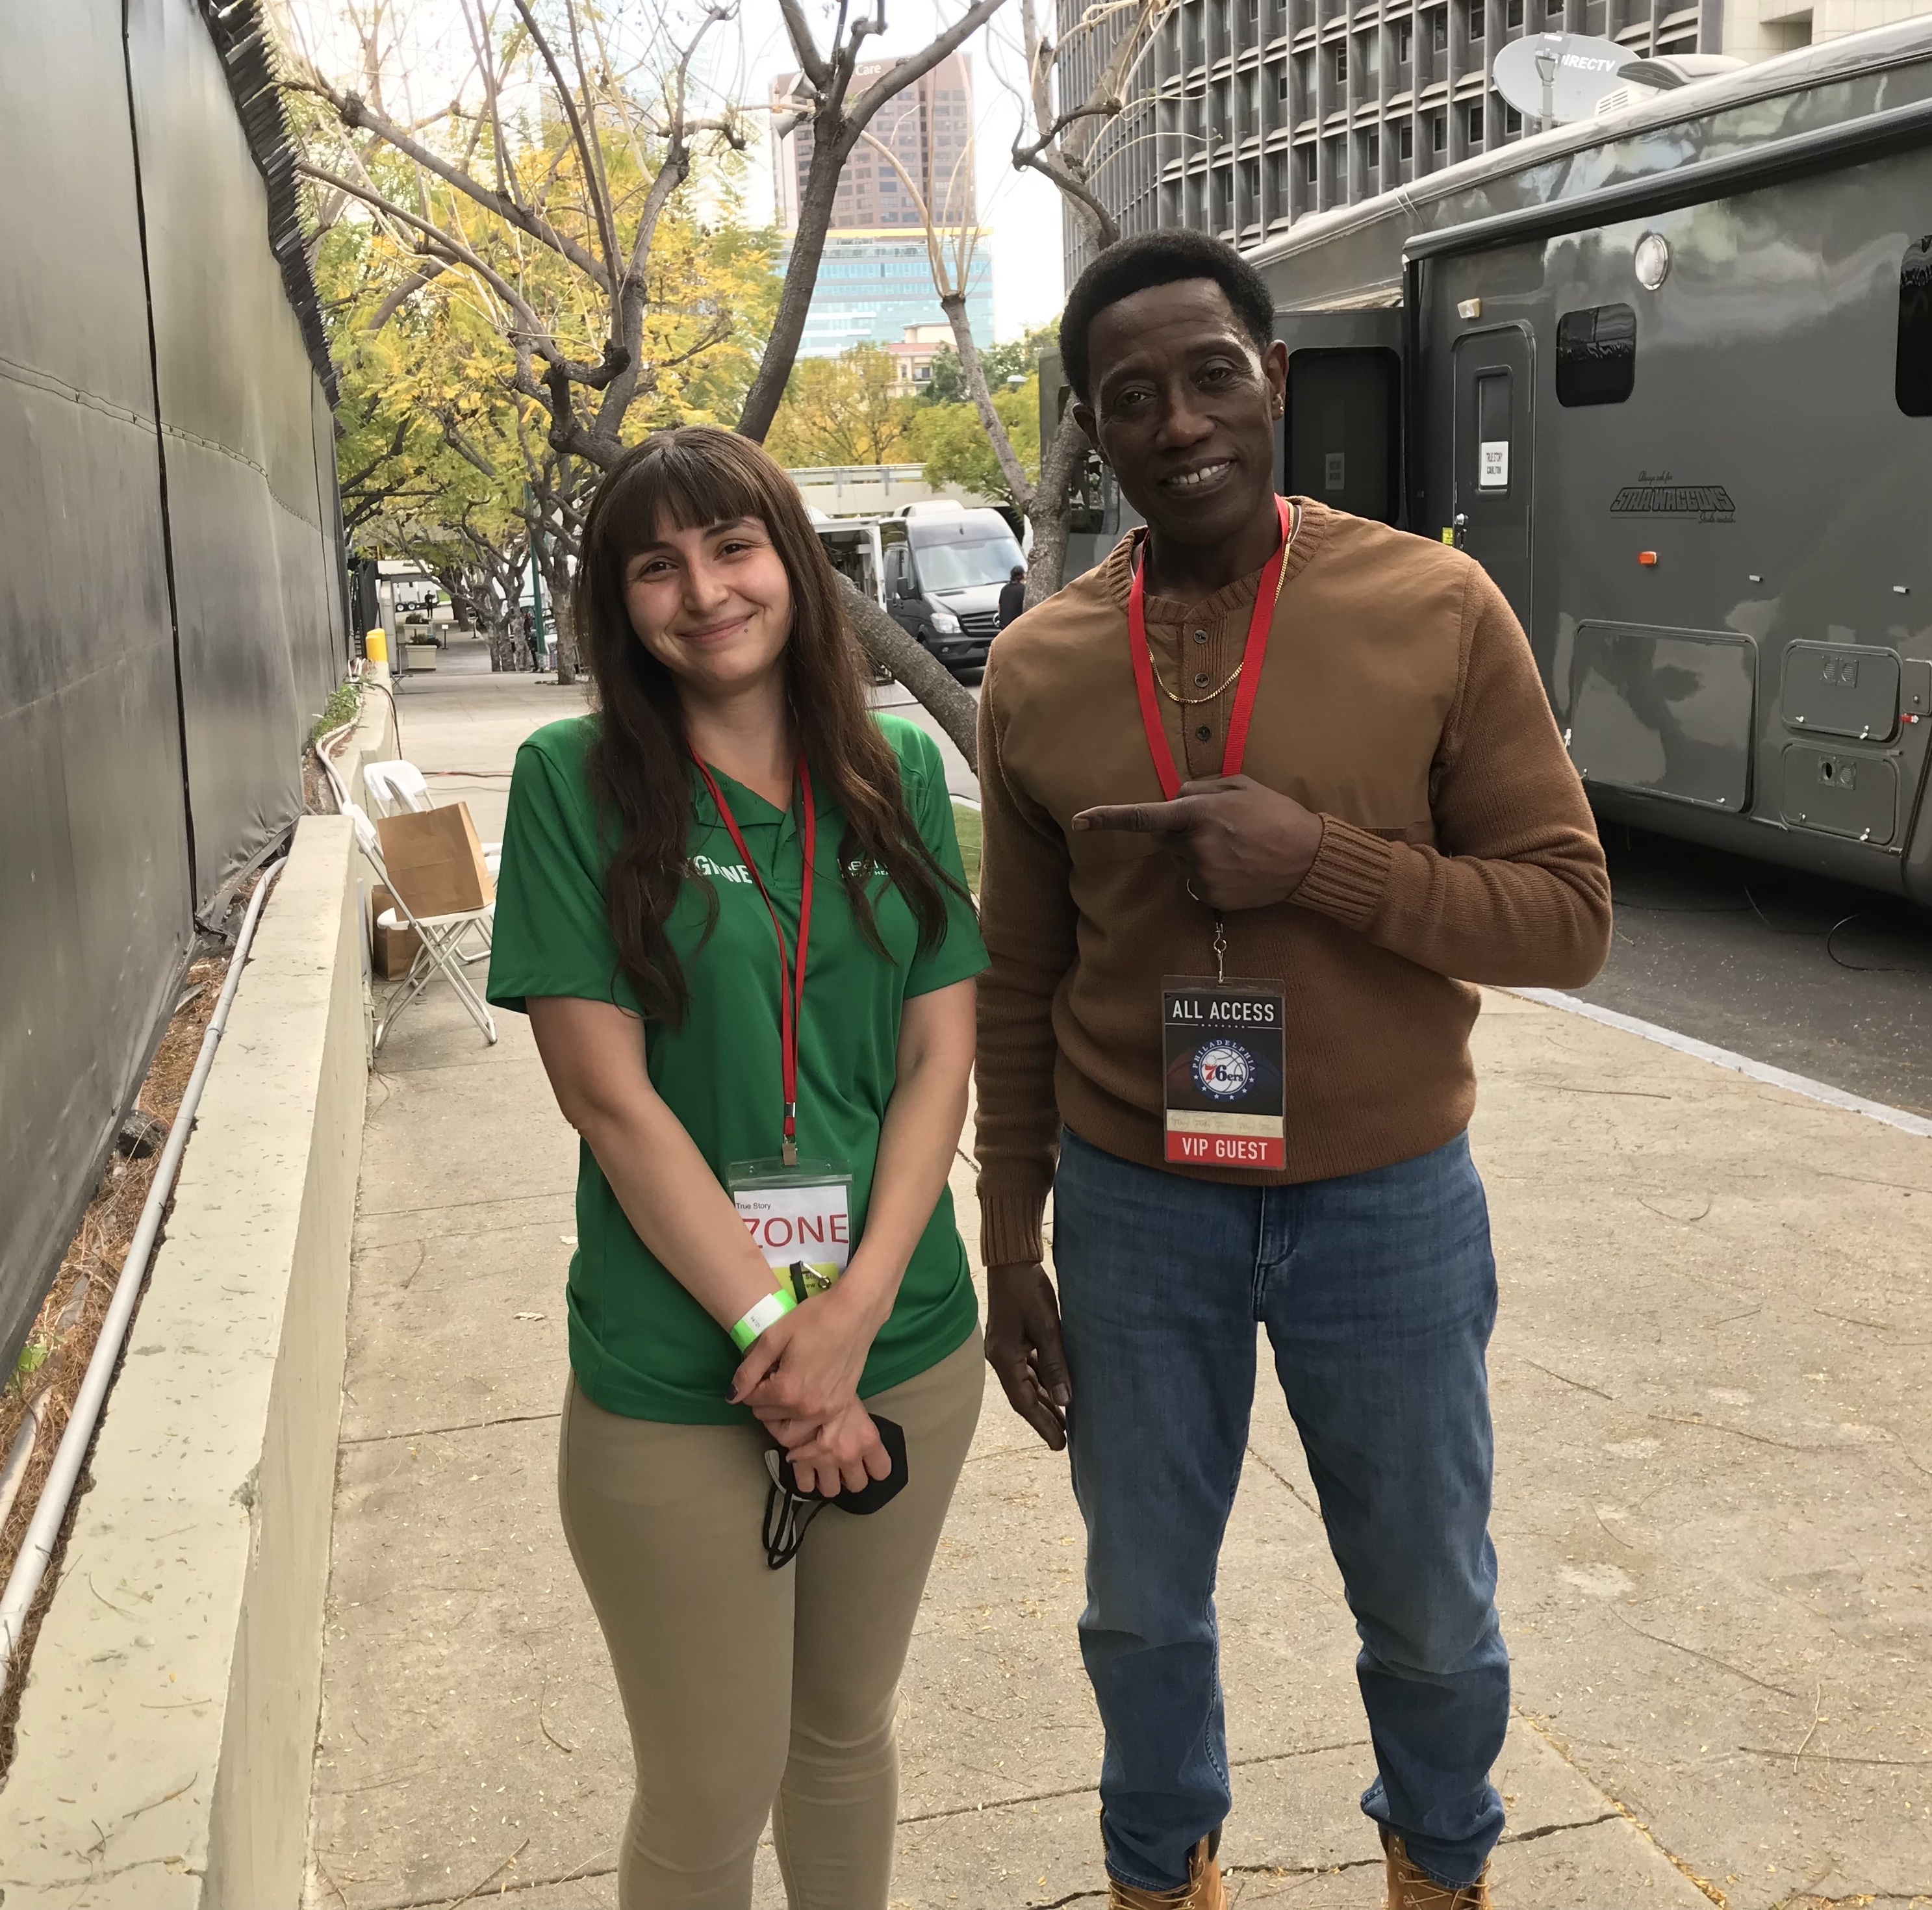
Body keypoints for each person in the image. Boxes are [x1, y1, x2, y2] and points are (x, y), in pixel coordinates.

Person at [972, 231, 1612, 1910]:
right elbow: (1018, 979)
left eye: (1208, 375)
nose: (1177, 421)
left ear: (1272, 378)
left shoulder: (1431, 607)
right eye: (1129, 396)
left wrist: (1316, 862)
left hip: (1384, 1204)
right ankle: (1157, 1872)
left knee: (1427, 1604)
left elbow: (1564, 918)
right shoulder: (1035, 667)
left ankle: (1439, 1868)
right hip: (1134, 1208)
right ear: (1091, 430)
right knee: (1136, 1604)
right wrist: (1006, 1236)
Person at [486, 424, 987, 1910]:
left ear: (792, 564)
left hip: (900, 1346)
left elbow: (935, 1059)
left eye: (731, 547)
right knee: (709, 1786)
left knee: (840, 1736)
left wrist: (852, 1317)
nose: (702, 593)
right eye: (656, 566)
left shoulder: (895, 769)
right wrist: (781, 1341)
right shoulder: (571, 783)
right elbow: (608, 1101)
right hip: (677, 1373)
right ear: (617, 601)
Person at [998, 561, 1028, 629]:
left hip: (1004, 627)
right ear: (1023, 575)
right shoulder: (1023, 589)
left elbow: (999, 607)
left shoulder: (1004, 589)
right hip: (1017, 626)